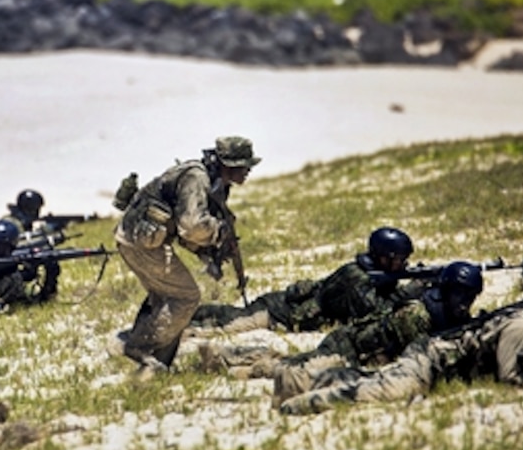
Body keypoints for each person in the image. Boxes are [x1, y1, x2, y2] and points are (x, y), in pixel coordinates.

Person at [279, 282, 523, 415]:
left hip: (443, 367)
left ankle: (323, 379)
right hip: (431, 360)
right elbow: (511, 379)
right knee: (390, 391)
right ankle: (297, 405)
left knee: (373, 380)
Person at [202, 261, 484, 399]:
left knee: (294, 361)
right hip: (347, 350)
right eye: (461, 295)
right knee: (289, 367)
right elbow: (418, 349)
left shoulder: (433, 309)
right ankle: (231, 360)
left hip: (356, 350)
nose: (465, 302)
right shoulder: (417, 315)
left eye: (469, 296)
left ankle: (234, 359)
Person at [112, 135, 260, 377]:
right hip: (141, 242)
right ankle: (138, 346)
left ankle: (156, 364)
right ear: (227, 164)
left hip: (141, 239)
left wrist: (211, 251)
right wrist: (219, 232)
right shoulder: (197, 179)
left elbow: (186, 232)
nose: (248, 171)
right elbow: (191, 226)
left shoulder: (213, 182)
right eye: (244, 166)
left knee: (167, 296)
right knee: (186, 297)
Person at [190, 226, 418, 336]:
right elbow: (373, 314)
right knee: (221, 325)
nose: (404, 264)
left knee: (225, 318)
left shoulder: (372, 277)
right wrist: (406, 294)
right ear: (382, 258)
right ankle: (178, 316)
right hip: (277, 313)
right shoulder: (356, 278)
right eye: (399, 260)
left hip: (288, 316)